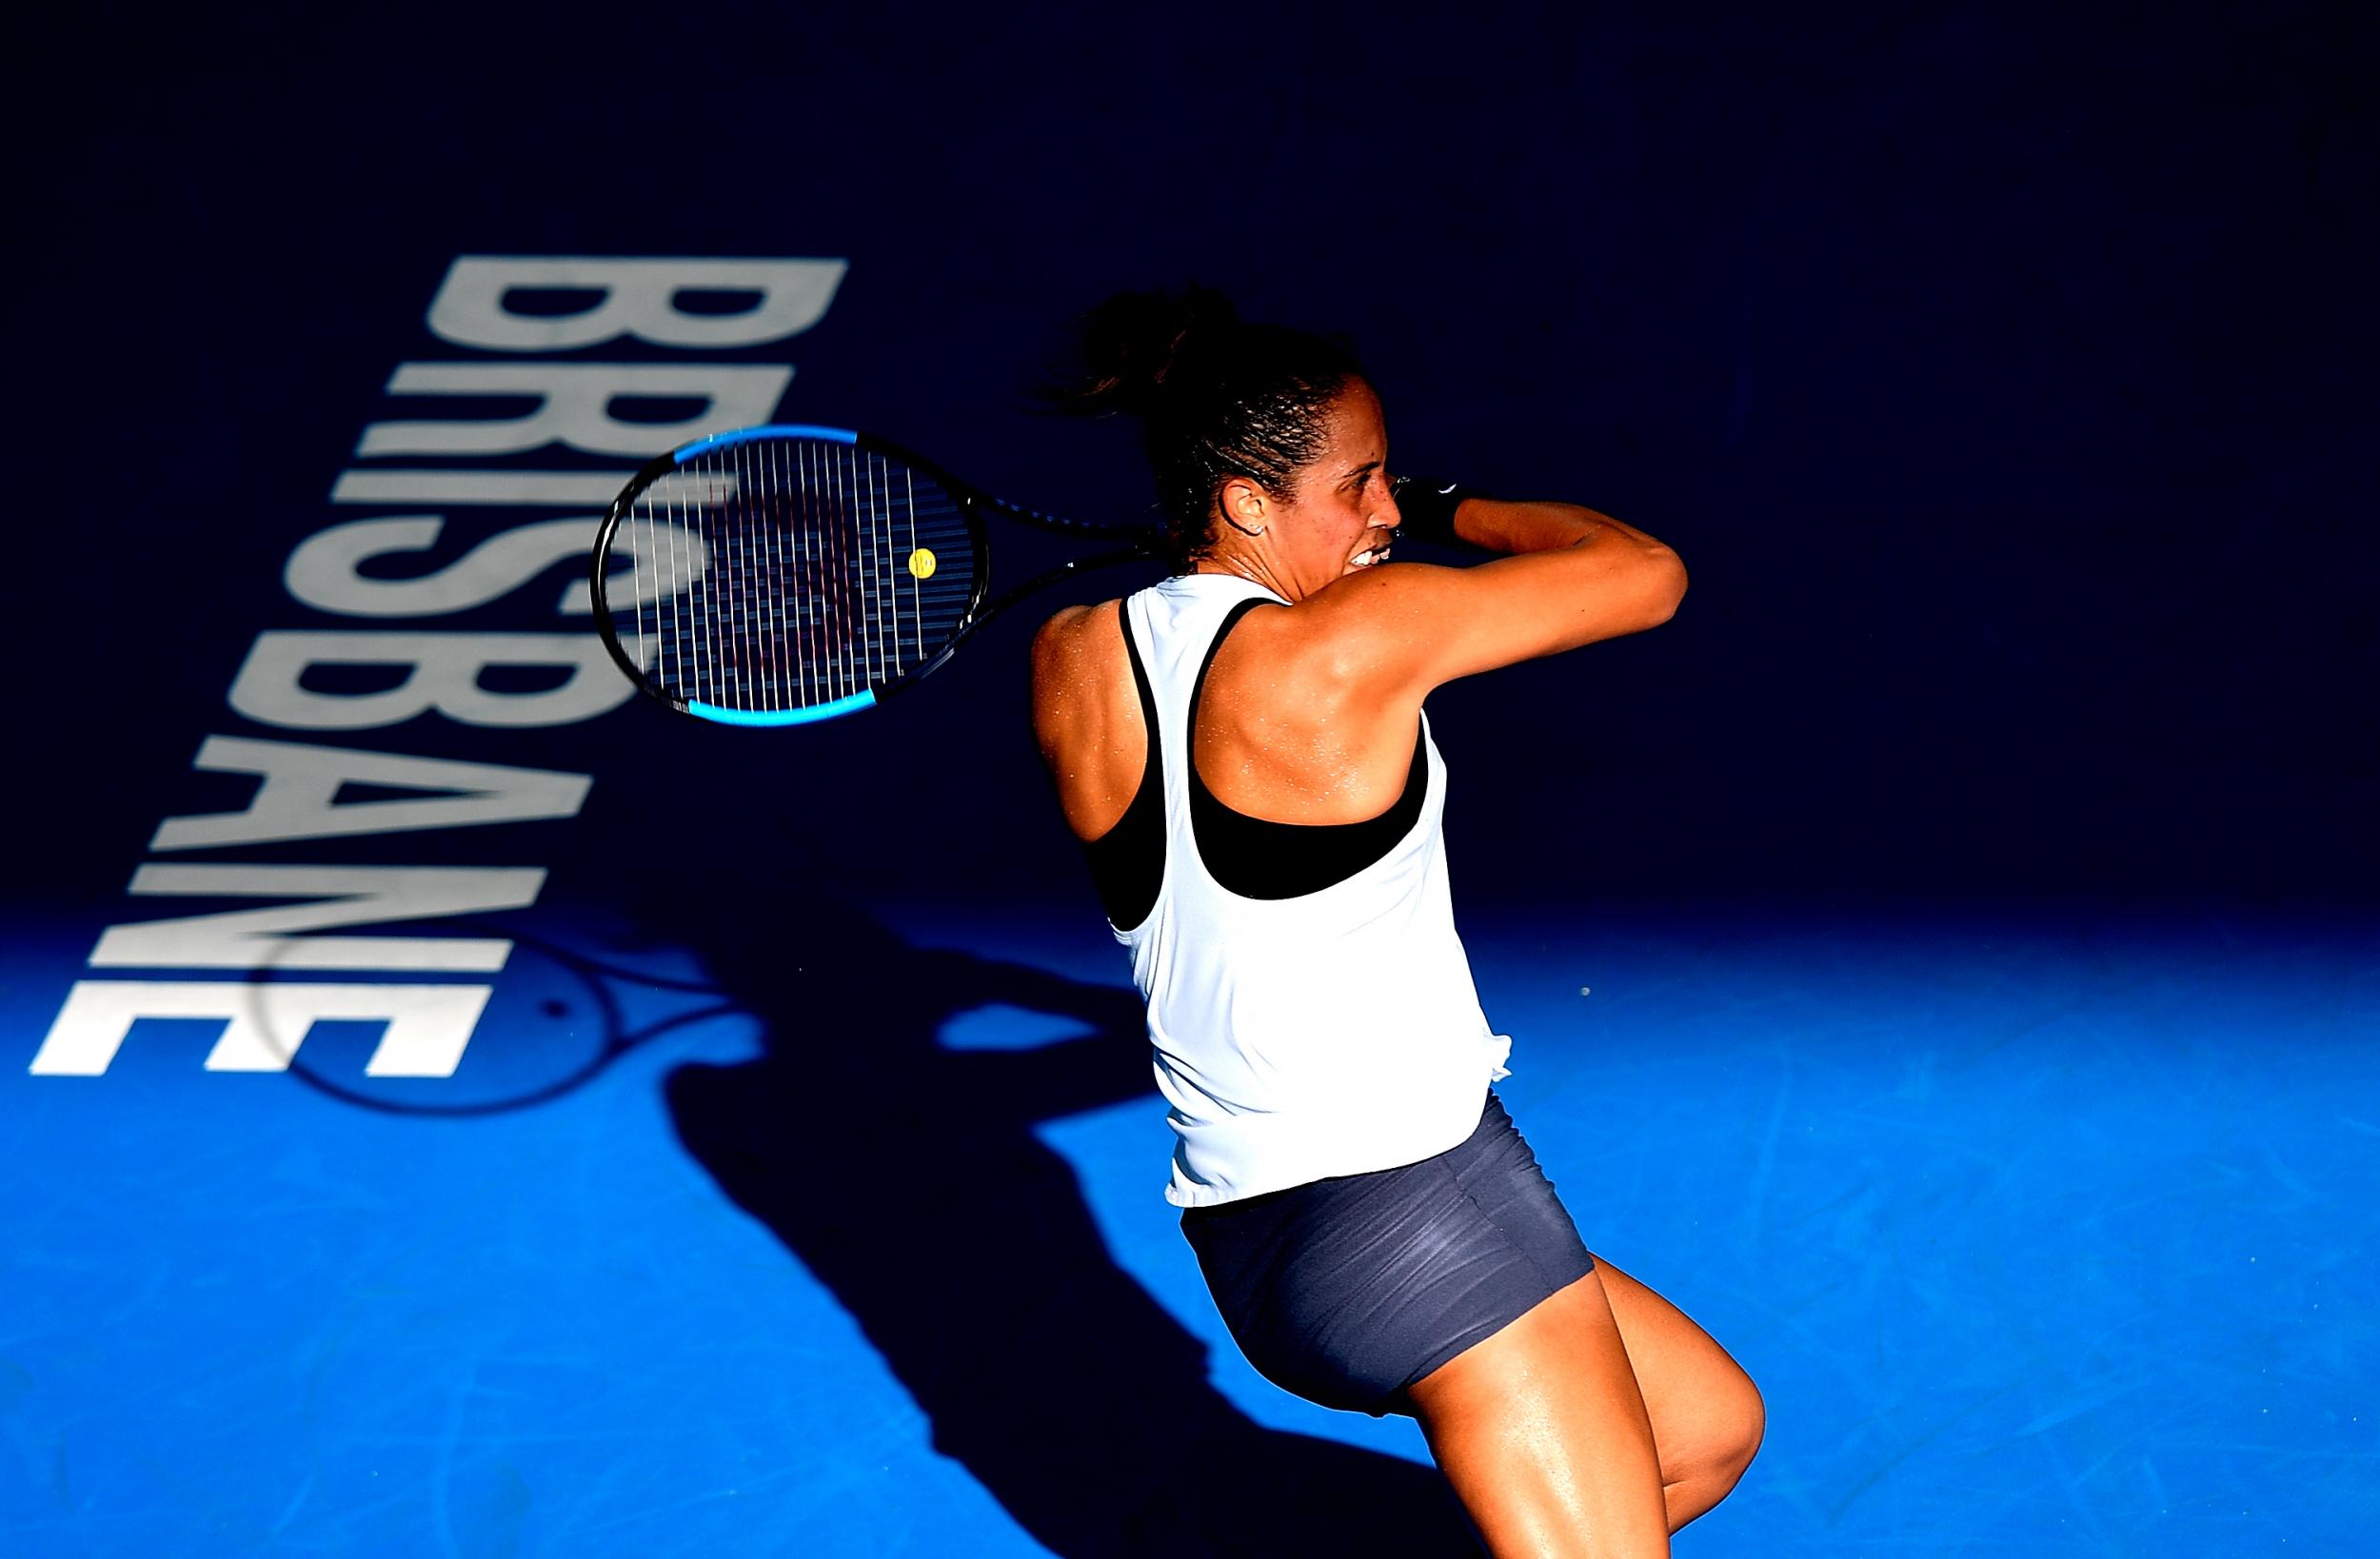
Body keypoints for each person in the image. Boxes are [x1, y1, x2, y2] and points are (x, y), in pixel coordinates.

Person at [1027, 286, 1761, 1557]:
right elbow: (1647, 574)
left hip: (1258, 1251)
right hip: (1420, 1216)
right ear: (1248, 499)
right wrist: (1442, 506)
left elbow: (1229, 918)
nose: (1379, 508)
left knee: (1700, 1429)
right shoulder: (1354, 640)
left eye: (1389, 481)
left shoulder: (1073, 659)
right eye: (1361, 481)